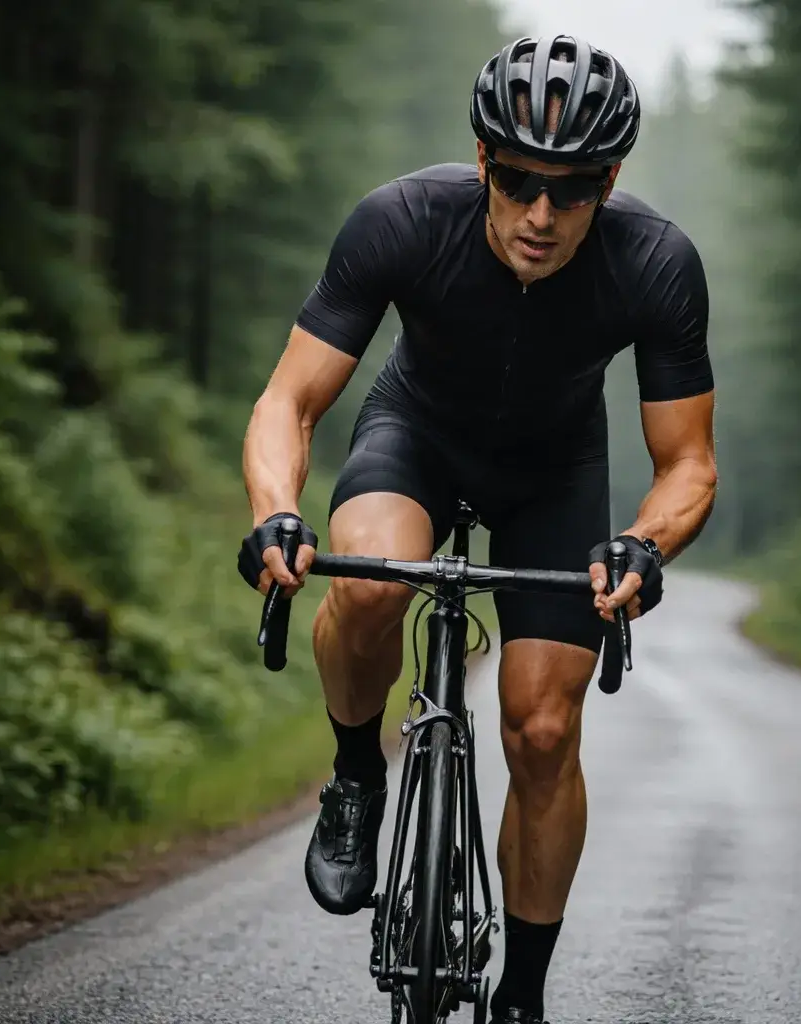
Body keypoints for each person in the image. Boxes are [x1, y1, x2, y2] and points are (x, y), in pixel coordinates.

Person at [237, 34, 717, 1024]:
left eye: (572, 191)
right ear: (482, 158)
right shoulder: (403, 220)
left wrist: (644, 543)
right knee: (367, 581)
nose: (540, 213)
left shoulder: (656, 262)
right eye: (516, 180)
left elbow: (688, 464)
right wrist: (277, 509)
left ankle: (522, 999)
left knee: (543, 728)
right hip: (415, 437)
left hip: (556, 473)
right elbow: (289, 400)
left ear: (609, 181)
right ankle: (357, 774)